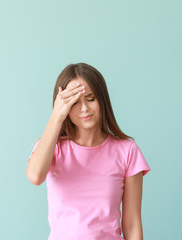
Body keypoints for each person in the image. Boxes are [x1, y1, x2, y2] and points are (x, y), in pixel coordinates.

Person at [26, 63, 151, 240]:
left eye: (90, 99)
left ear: (102, 99)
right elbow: (35, 176)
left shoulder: (127, 150)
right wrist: (56, 117)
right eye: (74, 102)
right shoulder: (52, 147)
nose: (84, 109)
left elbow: (132, 223)